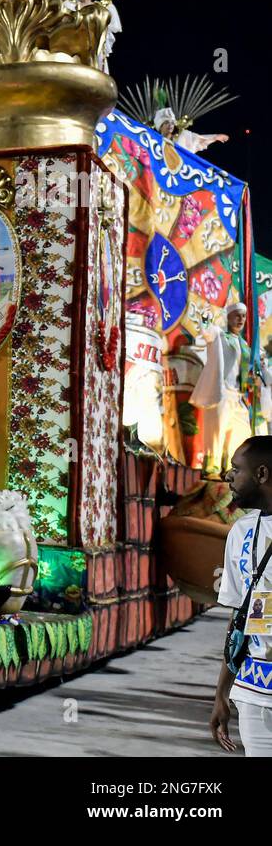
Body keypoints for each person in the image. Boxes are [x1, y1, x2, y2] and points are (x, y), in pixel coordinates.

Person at [212, 437, 272, 755]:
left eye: (237, 469)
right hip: (253, 693)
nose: (229, 476)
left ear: (261, 474)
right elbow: (239, 618)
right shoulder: (240, 533)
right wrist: (222, 692)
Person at [193, 303, 264, 478]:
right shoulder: (219, 335)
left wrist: (252, 381)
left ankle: (231, 471)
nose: (241, 319)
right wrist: (205, 316)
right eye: (237, 315)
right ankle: (211, 470)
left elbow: (246, 371)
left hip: (238, 396)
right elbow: (207, 330)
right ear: (229, 316)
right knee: (216, 432)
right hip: (221, 392)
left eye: (243, 316)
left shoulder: (246, 346)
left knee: (241, 433)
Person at [64, 0, 120, 73]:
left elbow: (106, 33)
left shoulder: (102, 9)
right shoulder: (69, 5)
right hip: (74, 51)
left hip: (95, 54)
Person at [153, 106, 228, 155]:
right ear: (160, 126)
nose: (170, 125)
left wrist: (215, 137)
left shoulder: (182, 138)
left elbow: (199, 140)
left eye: (172, 123)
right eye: (166, 123)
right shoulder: (153, 140)